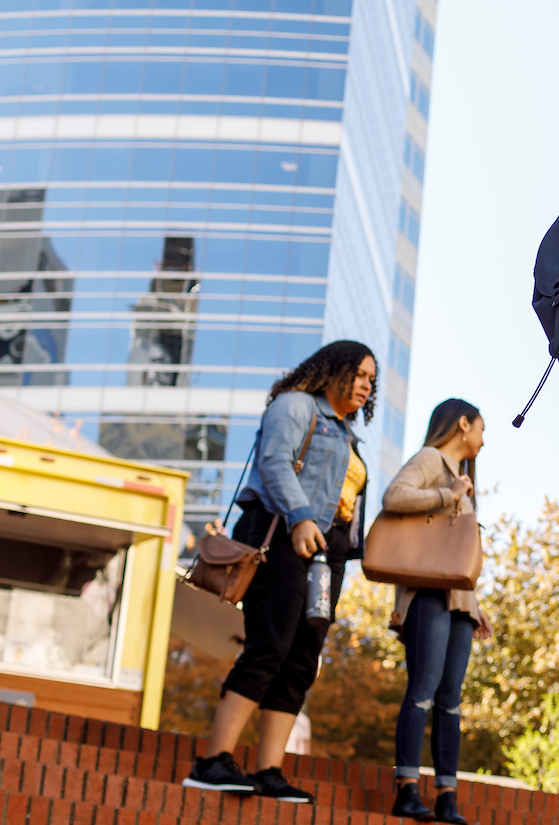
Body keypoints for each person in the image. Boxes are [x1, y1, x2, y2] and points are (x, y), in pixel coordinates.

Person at [183, 340, 378, 802]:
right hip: (282, 534)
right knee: (270, 645)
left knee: (301, 658)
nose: (368, 385)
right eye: (361, 374)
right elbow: (274, 463)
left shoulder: (348, 433)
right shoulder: (295, 406)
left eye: (373, 379)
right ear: (334, 370)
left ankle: (270, 770)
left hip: (324, 553)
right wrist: (301, 516)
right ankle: (213, 760)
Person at [383, 399, 496, 823]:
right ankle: (407, 789)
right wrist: (446, 495)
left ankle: (447, 795)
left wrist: (476, 605)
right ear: (463, 424)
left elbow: (458, 555)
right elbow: (394, 495)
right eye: (481, 430)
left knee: (451, 701)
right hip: (427, 593)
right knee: (423, 691)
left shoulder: (464, 481)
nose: (483, 441)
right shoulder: (432, 459)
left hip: (458, 603)